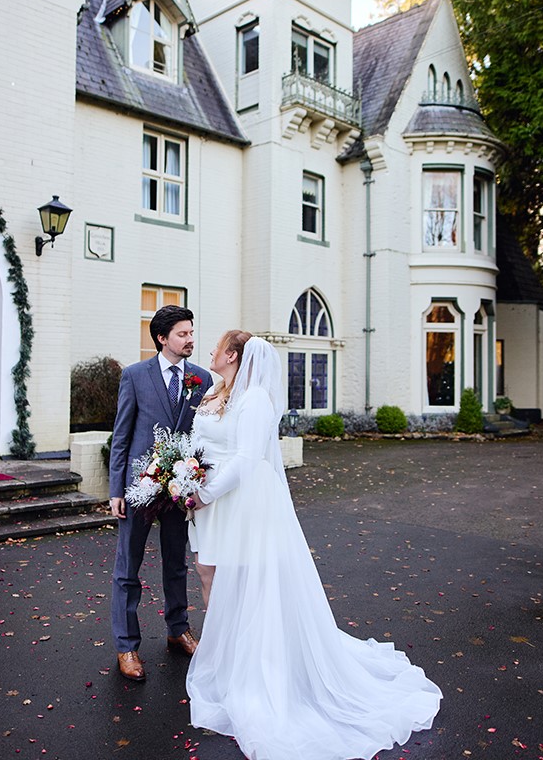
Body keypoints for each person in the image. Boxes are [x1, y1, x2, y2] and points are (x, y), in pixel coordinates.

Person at [184, 333, 441, 760]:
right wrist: (183, 473)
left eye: (217, 345)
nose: (209, 349)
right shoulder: (216, 390)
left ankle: (250, 666)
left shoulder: (254, 401)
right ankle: (222, 655)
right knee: (208, 572)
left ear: (233, 356)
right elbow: (202, 440)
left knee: (242, 581)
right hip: (207, 498)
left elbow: (247, 460)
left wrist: (204, 492)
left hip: (238, 501)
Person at [108, 304, 211, 682]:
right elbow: (121, 435)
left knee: (176, 562)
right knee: (127, 568)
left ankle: (177, 629)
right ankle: (126, 646)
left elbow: (204, 436)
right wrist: (116, 488)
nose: (190, 340)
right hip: (139, 488)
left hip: (180, 487)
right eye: (183, 334)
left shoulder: (202, 379)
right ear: (162, 338)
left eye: (191, 333)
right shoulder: (135, 376)